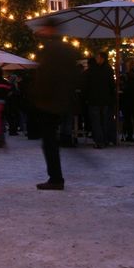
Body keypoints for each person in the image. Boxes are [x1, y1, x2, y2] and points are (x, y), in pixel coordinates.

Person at [30, 17, 82, 190]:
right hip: (61, 101)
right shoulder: (68, 49)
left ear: (50, 29)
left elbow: (46, 77)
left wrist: (38, 97)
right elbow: (74, 76)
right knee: (51, 140)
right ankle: (56, 177)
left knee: (49, 142)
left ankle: (56, 178)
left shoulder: (50, 50)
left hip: (50, 102)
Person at [81, 52, 115, 148]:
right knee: (104, 121)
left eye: (97, 57)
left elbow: (86, 85)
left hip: (94, 99)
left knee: (96, 122)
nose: (96, 58)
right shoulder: (108, 69)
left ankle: (99, 141)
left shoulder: (92, 70)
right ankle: (105, 140)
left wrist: (86, 97)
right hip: (105, 100)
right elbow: (111, 85)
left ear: (101, 58)